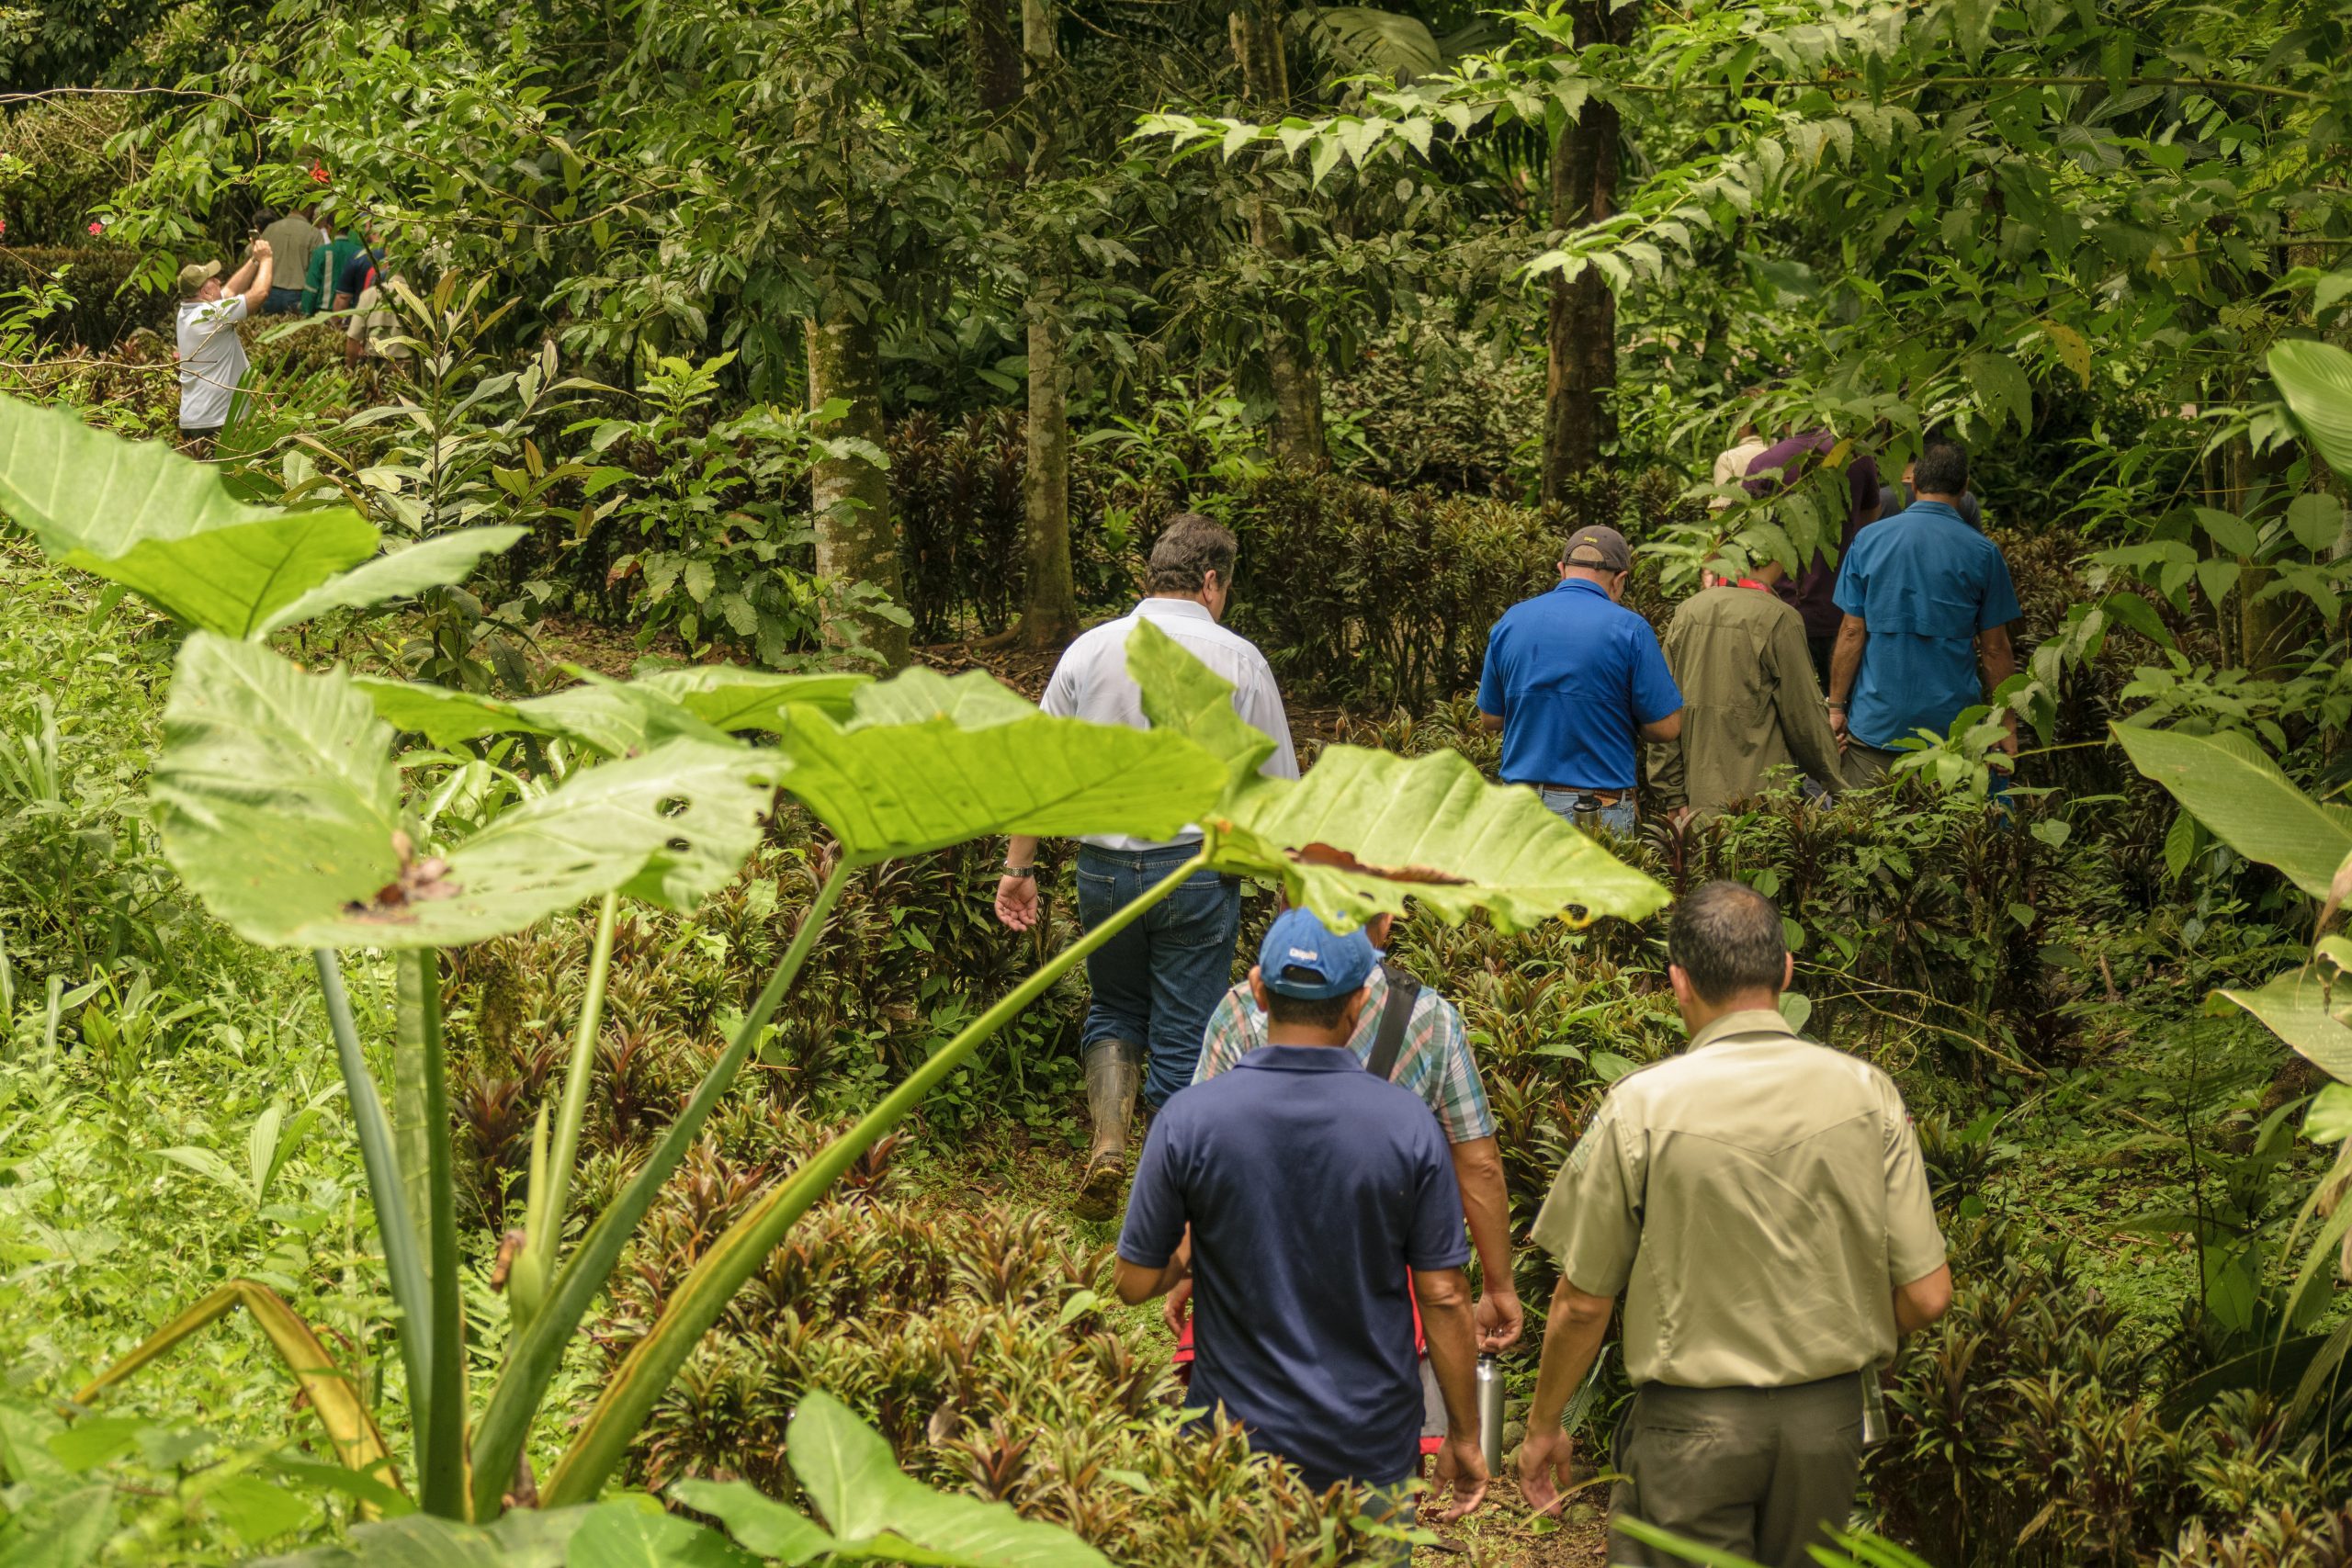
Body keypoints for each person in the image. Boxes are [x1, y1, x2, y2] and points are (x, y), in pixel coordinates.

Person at [1517, 881, 1951, 1568]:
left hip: (1691, 1431)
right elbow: (1928, 1296)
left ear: (1678, 982)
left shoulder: (1641, 1106)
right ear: (1785, 970)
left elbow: (1582, 1303)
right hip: (1828, 1427)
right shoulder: (1870, 1093)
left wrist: (1544, 1426)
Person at [1115, 908, 1487, 1557]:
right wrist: (1463, 1431)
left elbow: (1134, 1281)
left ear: (1258, 992)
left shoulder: (1188, 1118)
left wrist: (1185, 1252)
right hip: (1369, 1454)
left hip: (1230, 1457)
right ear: (1360, 1001)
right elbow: (1447, 1296)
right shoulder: (1408, 1127)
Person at [996, 513, 1295, 1216]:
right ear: (1213, 581)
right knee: (1187, 1027)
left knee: (1114, 1005)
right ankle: (1166, 1191)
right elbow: (1283, 791)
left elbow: (1041, 770)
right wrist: (1291, 893)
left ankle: (1107, 1144)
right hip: (1193, 870)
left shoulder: (1089, 650)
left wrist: (1019, 866)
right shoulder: (1242, 660)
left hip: (1101, 866)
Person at [1182, 908, 1521, 1355]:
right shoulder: (1432, 1018)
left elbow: (1200, 1153)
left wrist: (1187, 1263)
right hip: (1384, 1299)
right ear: (1384, 924)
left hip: (1253, 1288)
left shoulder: (1243, 1007)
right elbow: (1479, 1164)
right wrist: (1498, 1285)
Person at [1827, 438, 2023, 785]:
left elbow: (1851, 632)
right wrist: (2006, 724)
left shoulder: (1868, 541)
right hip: (1952, 730)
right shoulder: (1983, 553)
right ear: (1964, 488)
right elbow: (1995, 649)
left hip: (1876, 724)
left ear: (1913, 483)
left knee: (1866, 832)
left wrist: (1836, 708)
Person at [1476, 525, 1682, 834]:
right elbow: (1666, 727)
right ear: (1620, 579)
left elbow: (1490, 718)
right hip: (1598, 808)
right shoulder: (1631, 629)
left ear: (1562, 569)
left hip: (1520, 805)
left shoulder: (1512, 619)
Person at [1652, 558, 1846, 819]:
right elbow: (1804, 719)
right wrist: (1837, 784)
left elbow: (1662, 709)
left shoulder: (1688, 612)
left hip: (1697, 801)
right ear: (1776, 558)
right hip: (1764, 807)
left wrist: (1672, 794)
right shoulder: (1780, 617)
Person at [1741, 432, 1883, 686]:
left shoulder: (1765, 463)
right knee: (1839, 709)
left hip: (1780, 608)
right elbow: (1870, 520)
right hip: (1841, 610)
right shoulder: (1857, 456)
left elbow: (1745, 534)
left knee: (1786, 709)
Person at [175, 246, 273, 453]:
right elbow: (260, 294)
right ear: (205, 292)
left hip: (197, 419)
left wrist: (253, 261)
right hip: (215, 423)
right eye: (213, 280)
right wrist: (266, 258)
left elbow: (229, 292)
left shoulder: (190, 312)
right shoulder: (212, 316)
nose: (219, 281)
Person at [256, 203, 321, 314]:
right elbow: (316, 270)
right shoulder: (314, 233)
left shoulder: (270, 229)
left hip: (269, 291)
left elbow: (258, 260)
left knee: (266, 329)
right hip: (298, 293)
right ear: (308, 208)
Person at [300, 216, 366, 317]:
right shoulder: (360, 253)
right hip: (350, 313)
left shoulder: (321, 252)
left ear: (329, 228)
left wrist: (305, 312)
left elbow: (312, 287)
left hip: (324, 313)